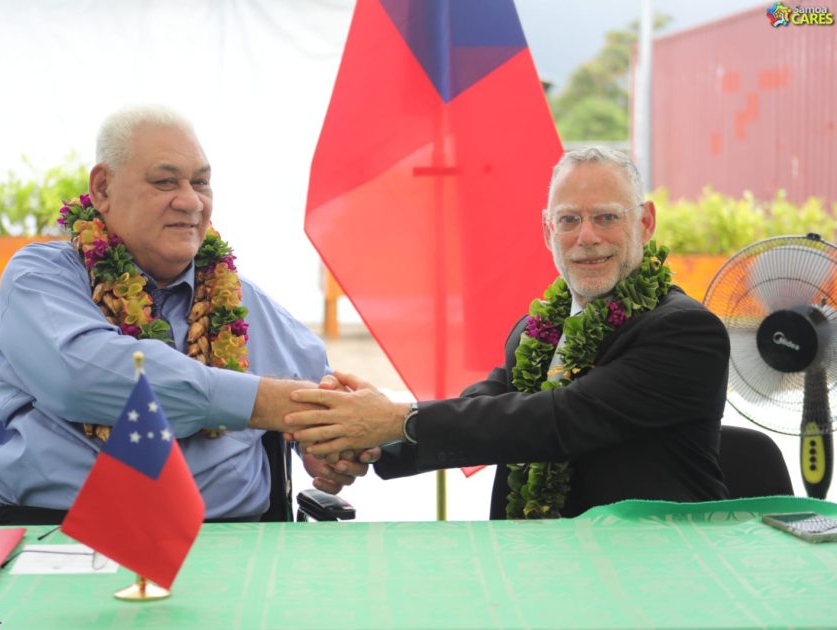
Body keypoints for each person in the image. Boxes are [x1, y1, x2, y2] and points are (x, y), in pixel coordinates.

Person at [0, 104, 372, 524]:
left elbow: (325, 399)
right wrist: (260, 403)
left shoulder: (240, 300)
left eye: (201, 182)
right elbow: (81, 376)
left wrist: (330, 443)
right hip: (55, 534)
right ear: (103, 189)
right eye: (165, 182)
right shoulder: (40, 278)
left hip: (229, 540)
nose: (191, 201)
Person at [285, 146, 731, 519]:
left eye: (606, 217)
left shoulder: (687, 332)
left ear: (645, 223)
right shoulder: (535, 331)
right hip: (535, 565)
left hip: (654, 569)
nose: (587, 236)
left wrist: (395, 418)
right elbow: (486, 407)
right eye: (569, 220)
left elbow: (555, 420)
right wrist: (367, 439)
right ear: (547, 231)